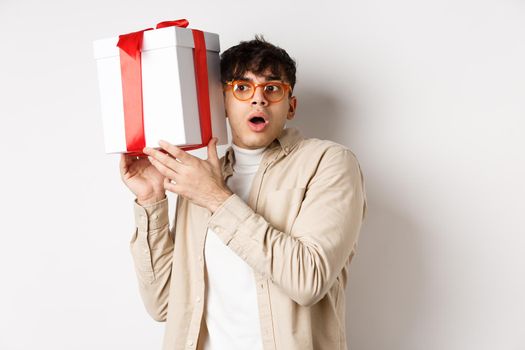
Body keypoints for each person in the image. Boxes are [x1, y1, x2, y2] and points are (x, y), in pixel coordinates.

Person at [120, 36, 367, 350]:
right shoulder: (200, 178)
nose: (258, 99)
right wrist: (152, 199)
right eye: (242, 87)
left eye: (272, 88)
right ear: (221, 102)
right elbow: (164, 304)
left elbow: (308, 280)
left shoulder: (328, 162)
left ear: (291, 106)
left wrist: (214, 196)